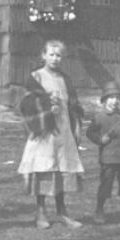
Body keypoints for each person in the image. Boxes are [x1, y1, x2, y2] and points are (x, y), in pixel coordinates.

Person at [17, 39, 86, 229]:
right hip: (44, 131)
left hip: (62, 129)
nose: (55, 59)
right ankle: (40, 212)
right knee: (44, 168)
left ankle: (62, 212)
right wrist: (47, 105)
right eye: (51, 54)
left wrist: (76, 127)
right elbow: (27, 104)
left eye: (59, 55)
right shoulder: (36, 77)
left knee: (61, 168)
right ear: (43, 55)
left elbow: (73, 105)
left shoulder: (65, 79)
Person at [86, 82, 120, 223]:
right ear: (104, 100)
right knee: (105, 185)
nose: (114, 101)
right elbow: (89, 132)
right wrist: (100, 140)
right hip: (108, 158)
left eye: (117, 98)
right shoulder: (100, 117)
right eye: (111, 97)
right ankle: (99, 211)